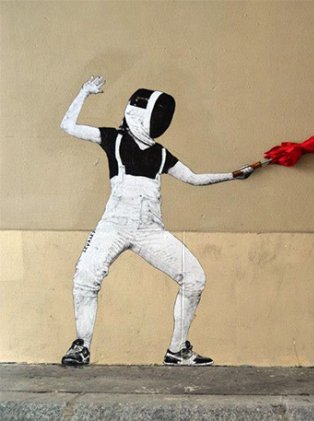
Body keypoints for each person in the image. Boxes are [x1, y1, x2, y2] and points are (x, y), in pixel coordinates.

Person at [60, 75, 254, 366]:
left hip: (150, 231)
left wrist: (232, 175)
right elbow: (68, 126)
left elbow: (193, 178)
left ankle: (177, 350)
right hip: (113, 226)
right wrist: (84, 92)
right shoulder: (114, 139)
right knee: (85, 278)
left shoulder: (161, 154)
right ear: (139, 113)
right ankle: (81, 346)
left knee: (194, 278)